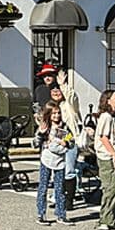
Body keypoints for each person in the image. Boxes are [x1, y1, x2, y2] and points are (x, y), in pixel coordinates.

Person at [34, 101, 74, 226]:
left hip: (60, 162)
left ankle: (61, 214)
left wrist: (64, 143)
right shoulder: (46, 128)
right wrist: (41, 134)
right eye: (54, 113)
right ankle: (41, 214)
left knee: (60, 188)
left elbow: (70, 142)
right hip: (46, 160)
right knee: (43, 187)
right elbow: (36, 143)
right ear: (48, 115)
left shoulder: (64, 127)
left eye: (58, 113)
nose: (57, 116)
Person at [49, 70, 82, 211]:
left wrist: (63, 85)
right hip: (55, 142)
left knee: (69, 171)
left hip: (70, 140)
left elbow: (72, 96)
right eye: (53, 90)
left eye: (58, 90)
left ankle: (69, 201)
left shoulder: (69, 105)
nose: (56, 92)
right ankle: (58, 198)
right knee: (57, 171)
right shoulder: (51, 107)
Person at [94, 89, 115, 230]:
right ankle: (105, 219)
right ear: (108, 101)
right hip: (107, 155)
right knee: (111, 187)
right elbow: (103, 137)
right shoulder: (105, 117)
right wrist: (113, 153)